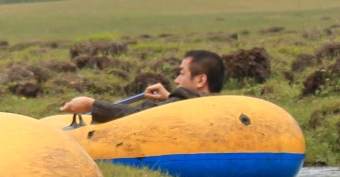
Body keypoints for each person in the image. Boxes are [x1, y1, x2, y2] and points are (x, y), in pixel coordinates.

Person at [61, 49, 225, 124]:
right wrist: (169, 97)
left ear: (200, 80)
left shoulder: (182, 101)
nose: (176, 80)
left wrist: (91, 104)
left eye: (182, 73)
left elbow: (133, 115)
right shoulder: (224, 105)